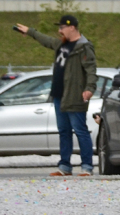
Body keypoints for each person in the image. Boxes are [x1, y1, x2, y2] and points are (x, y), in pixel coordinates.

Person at [15, 16, 98, 176]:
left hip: (75, 95)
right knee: (63, 131)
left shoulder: (84, 47)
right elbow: (46, 40)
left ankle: (87, 166)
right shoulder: (62, 44)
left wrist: (90, 88)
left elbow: (91, 70)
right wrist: (30, 32)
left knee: (80, 130)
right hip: (59, 95)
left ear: (72, 28)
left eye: (62, 28)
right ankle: (65, 166)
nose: (59, 31)